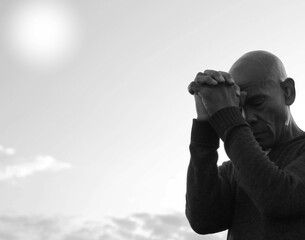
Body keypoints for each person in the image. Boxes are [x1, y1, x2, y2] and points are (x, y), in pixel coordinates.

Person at [186, 50, 305, 240]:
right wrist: (206, 127)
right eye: (239, 109)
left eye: (257, 102)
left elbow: (277, 198)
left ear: (288, 92)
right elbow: (203, 219)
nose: (247, 118)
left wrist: (228, 118)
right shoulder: (234, 170)